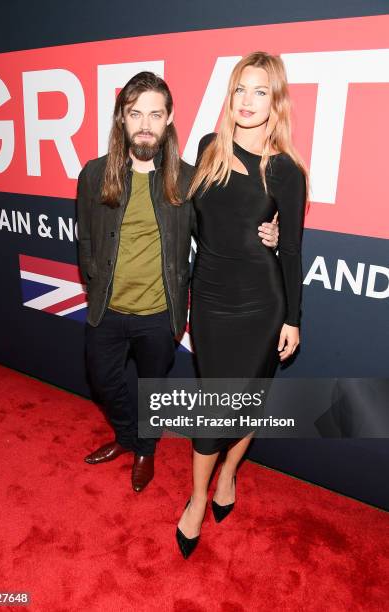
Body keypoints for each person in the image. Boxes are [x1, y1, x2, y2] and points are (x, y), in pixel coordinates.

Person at [76, 71, 279, 493]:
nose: (145, 124)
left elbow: (222, 232)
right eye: (136, 114)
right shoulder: (94, 175)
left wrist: (268, 237)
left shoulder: (188, 179)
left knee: (153, 390)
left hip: (159, 313)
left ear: (169, 119)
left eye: (155, 114)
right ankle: (127, 437)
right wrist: (95, 278)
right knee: (104, 381)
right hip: (106, 310)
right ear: (122, 119)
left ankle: (145, 449)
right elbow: (86, 238)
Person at [175, 52, 308, 558]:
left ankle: (228, 475)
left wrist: (294, 317)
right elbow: (192, 217)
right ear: (228, 97)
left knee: (247, 400)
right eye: (239, 90)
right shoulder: (210, 148)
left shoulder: (286, 171)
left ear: (276, 103)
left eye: (260, 92)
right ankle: (195, 500)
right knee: (212, 408)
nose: (247, 102)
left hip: (260, 303)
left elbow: (292, 250)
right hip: (208, 298)